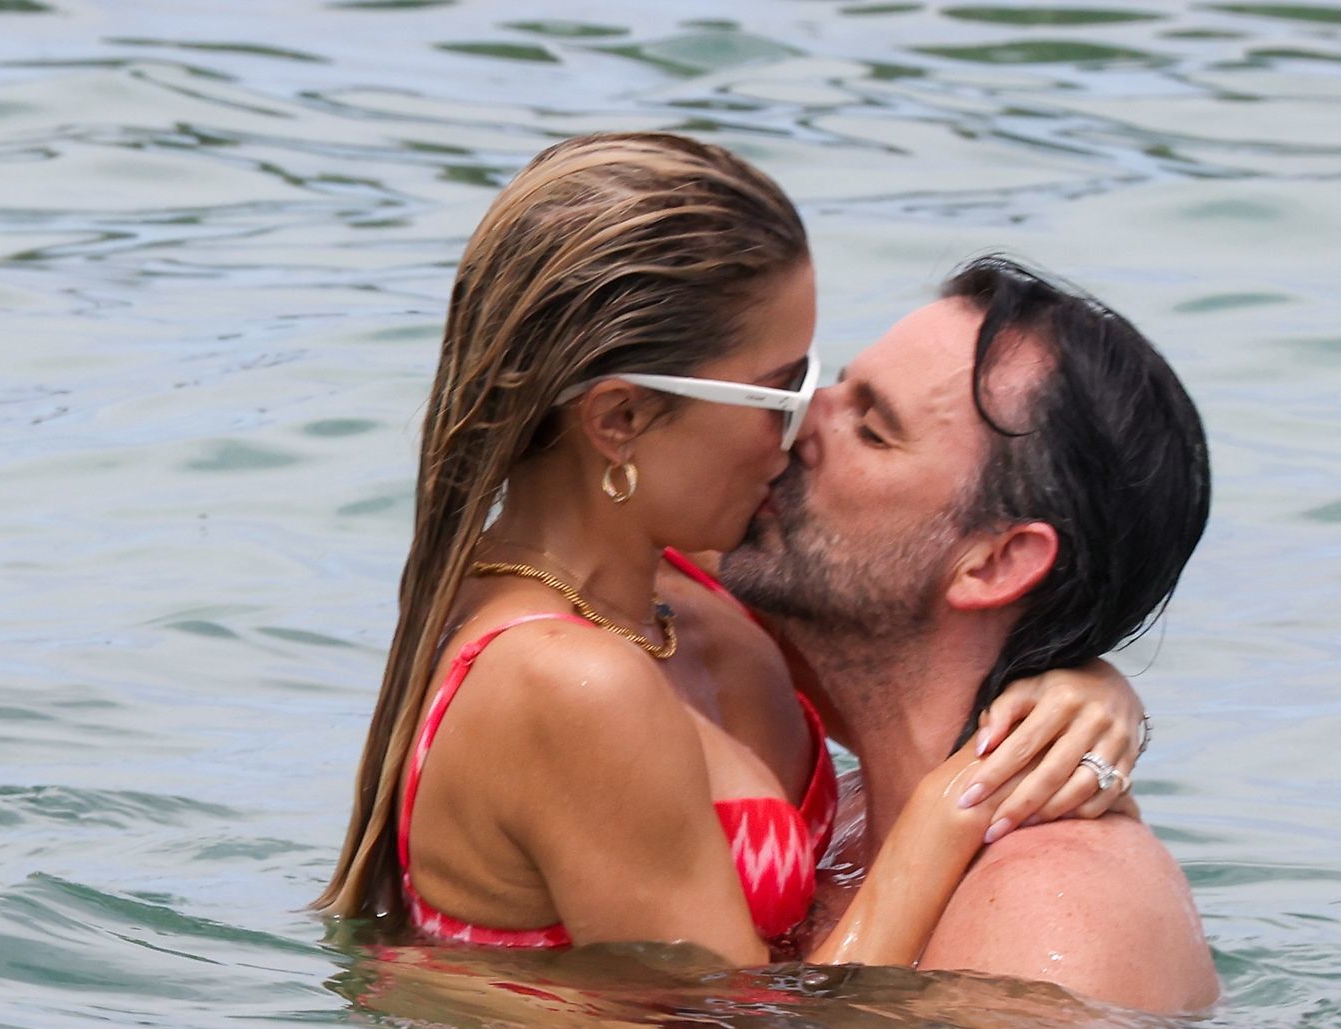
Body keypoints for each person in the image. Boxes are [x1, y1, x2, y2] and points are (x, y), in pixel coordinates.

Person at [314, 133, 1146, 968]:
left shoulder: (679, 583)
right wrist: (947, 816)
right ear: (620, 420)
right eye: (778, 392)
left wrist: (1089, 687)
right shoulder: (568, 683)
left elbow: (909, 667)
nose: (806, 423)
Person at [719, 256, 1221, 1015]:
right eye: (836, 386)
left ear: (994, 563)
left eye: (871, 429)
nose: (795, 417)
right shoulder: (834, 816)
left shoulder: (1052, 900)